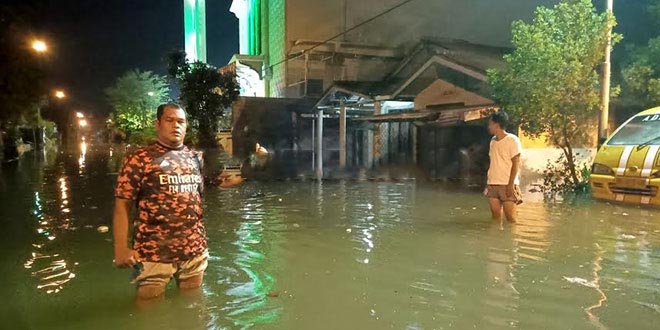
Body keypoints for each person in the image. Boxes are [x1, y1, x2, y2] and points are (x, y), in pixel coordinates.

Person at [113, 103, 208, 302]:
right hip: (153, 252)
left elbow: (215, 185)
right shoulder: (139, 158)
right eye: (169, 120)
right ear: (158, 124)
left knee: (192, 306)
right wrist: (121, 248)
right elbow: (122, 205)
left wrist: (256, 165)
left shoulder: (195, 158)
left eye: (181, 121)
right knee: (149, 309)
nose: (176, 126)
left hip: (194, 249)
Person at [485, 111, 523, 223]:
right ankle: (496, 239)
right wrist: (488, 183)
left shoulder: (512, 140)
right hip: (493, 182)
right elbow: (493, 163)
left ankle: (512, 239)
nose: (488, 126)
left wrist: (511, 184)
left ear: (497, 125)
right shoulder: (492, 141)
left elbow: (516, 163)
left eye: (490, 124)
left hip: (507, 183)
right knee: (495, 217)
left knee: (510, 218)